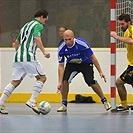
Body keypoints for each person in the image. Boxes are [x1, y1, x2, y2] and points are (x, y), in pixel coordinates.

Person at [0, 9, 50, 114]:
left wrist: (19, 54)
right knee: (42, 78)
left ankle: (0, 104)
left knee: (15, 81)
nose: (45, 22)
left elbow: (17, 42)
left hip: (18, 57)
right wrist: (44, 51)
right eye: (45, 20)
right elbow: (36, 37)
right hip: (28, 56)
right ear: (41, 17)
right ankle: (32, 101)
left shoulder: (26, 25)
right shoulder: (38, 25)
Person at [57, 29, 112, 112]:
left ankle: (104, 101)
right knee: (65, 81)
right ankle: (64, 104)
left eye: (70, 39)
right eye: (66, 40)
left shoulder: (82, 44)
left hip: (85, 63)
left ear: (73, 37)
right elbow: (61, 66)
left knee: (90, 81)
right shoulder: (61, 48)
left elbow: (93, 58)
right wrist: (59, 82)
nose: (68, 42)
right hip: (72, 64)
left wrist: (100, 71)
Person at [110, 14, 133, 112]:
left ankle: (124, 105)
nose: (121, 26)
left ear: (129, 23)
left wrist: (116, 36)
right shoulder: (127, 31)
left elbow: (131, 41)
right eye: (120, 24)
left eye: (123, 24)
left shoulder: (131, 29)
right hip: (131, 63)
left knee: (118, 82)